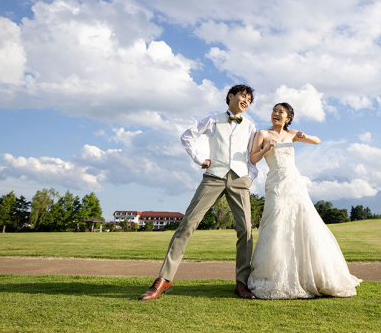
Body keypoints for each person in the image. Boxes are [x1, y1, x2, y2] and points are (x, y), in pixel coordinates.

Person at [139, 84, 258, 300]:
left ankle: (242, 282)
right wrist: (198, 158)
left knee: (246, 230)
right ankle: (165, 279)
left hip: (240, 178)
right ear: (230, 96)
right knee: (188, 224)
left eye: (249, 100)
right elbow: (187, 136)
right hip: (213, 177)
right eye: (243, 96)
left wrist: (250, 176)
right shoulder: (212, 120)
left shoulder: (250, 126)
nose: (246, 101)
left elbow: (251, 155)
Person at [246, 102, 361, 299]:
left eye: (280, 111)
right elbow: (253, 159)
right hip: (275, 183)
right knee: (276, 224)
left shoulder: (292, 134)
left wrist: (304, 135)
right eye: (274, 110)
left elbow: (317, 141)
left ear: (288, 118)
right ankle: (276, 275)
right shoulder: (262, 134)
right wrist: (266, 148)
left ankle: (307, 274)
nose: (275, 113)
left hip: (295, 183)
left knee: (304, 223)